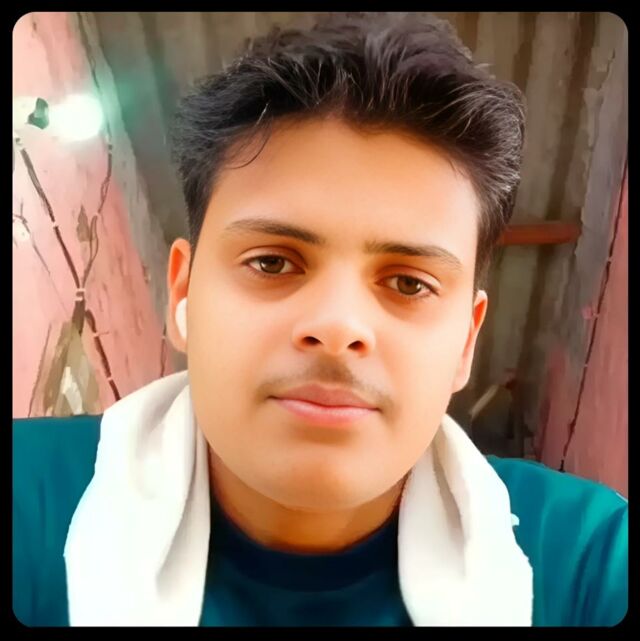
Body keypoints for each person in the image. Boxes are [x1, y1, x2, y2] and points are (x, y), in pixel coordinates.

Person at [13, 12, 627, 627]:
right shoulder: (31, 504)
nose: (337, 326)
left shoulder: (585, 565)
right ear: (183, 293)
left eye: (409, 283)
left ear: (466, 340)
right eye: (272, 262)